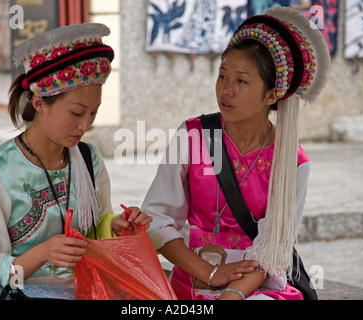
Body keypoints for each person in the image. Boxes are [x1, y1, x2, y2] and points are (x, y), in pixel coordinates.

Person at [141, 6, 330, 300]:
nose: (225, 90)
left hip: (256, 288)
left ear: (272, 95)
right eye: (222, 76)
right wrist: (208, 273)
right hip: (193, 282)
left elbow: (274, 246)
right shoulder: (194, 135)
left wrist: (233, 294)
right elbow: (157, 217)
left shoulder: (292, 161)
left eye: (241, 81)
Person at [0, 23, 151, 300]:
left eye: (93, 113)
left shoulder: (88, 159)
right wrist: (42, 253)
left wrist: (115, 225)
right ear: (40, 104)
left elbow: (96, 226)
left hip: (89, 288)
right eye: (77, 113)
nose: (85, 125)